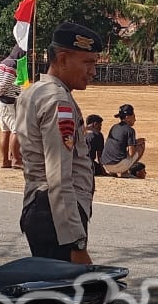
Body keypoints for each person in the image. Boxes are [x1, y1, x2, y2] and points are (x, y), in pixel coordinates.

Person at [16, 22, 103, 263]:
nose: (93, 71)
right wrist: (75, 240)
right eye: (88, 62)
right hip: (56, 215)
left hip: (42, 208)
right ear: (63, 59)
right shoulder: (58, 101)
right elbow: (59, 175)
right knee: (67, 296)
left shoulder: (34, 91)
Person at [0, 52, 23, 169]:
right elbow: (5, 84)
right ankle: (16, 160)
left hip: (2, 101)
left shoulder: (3, 63)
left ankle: (5, 161)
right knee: (17, 130)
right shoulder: (12, 65)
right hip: (7, 102)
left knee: (5, 131)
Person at [101, 104, 146, 177]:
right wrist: (136, 144)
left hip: (106, 165)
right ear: (128, 117)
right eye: (133, 117)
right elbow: (131, 153)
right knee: (141, 145)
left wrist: (135, 142)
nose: (135, 119)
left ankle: (113, 173)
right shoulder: (130, 130)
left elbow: (118, 144)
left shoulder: (114, 127)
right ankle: (124, 172)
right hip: (118, 166)